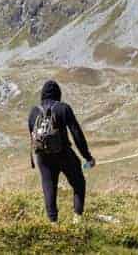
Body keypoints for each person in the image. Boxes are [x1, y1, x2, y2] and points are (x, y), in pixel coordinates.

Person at [28, 79, 95, 223]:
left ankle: (53, 223)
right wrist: (87, 157)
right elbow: (77, 134)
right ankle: (77, 219)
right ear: (58, 94)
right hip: (64, 154)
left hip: (43, 157)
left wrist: (34, 158)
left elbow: (32, 137)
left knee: (49, 186)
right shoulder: (63, 108)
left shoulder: (34, 111)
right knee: (78, 183)